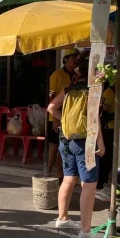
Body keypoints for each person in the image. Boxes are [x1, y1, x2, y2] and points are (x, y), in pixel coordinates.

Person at [47, 57, 105, 238]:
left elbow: (50, 108)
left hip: (65, 140)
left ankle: (62, 218)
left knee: (68, 179)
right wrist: (101, 144)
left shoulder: (68, 90)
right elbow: (94, 121)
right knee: (88, 185)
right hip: (85, 142)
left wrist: (63, 121)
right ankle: (85, 230)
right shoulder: (93, 92)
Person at [48, 48, 79, 182]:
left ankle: (60, 176)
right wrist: (55, 119)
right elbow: (51, 96)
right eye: (72, 59)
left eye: (77, 59)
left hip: (69, 118)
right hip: (56, 116)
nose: (75, 62)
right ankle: (48, 174)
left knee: (63, 149)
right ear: (66, 59)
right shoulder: (57, 74)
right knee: (54, 148)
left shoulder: (76, 76)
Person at [97, 79, 115, 201]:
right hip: (108, 128)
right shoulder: (110, 92)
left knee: (108, 158)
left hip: (111, 128)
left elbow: (103, 110)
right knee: (106, 157)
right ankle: (101, 182)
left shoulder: (111, 92)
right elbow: (104, 109)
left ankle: (102, 182)